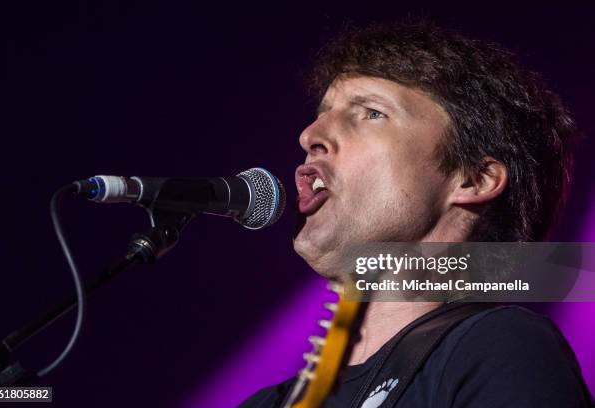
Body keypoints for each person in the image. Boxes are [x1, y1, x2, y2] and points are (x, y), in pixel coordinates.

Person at [241, 21, 593, 407]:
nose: (310, 135)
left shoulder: (499, 350)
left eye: (372, 113)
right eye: (323, 113)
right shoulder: (267, 403)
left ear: (475, 179)